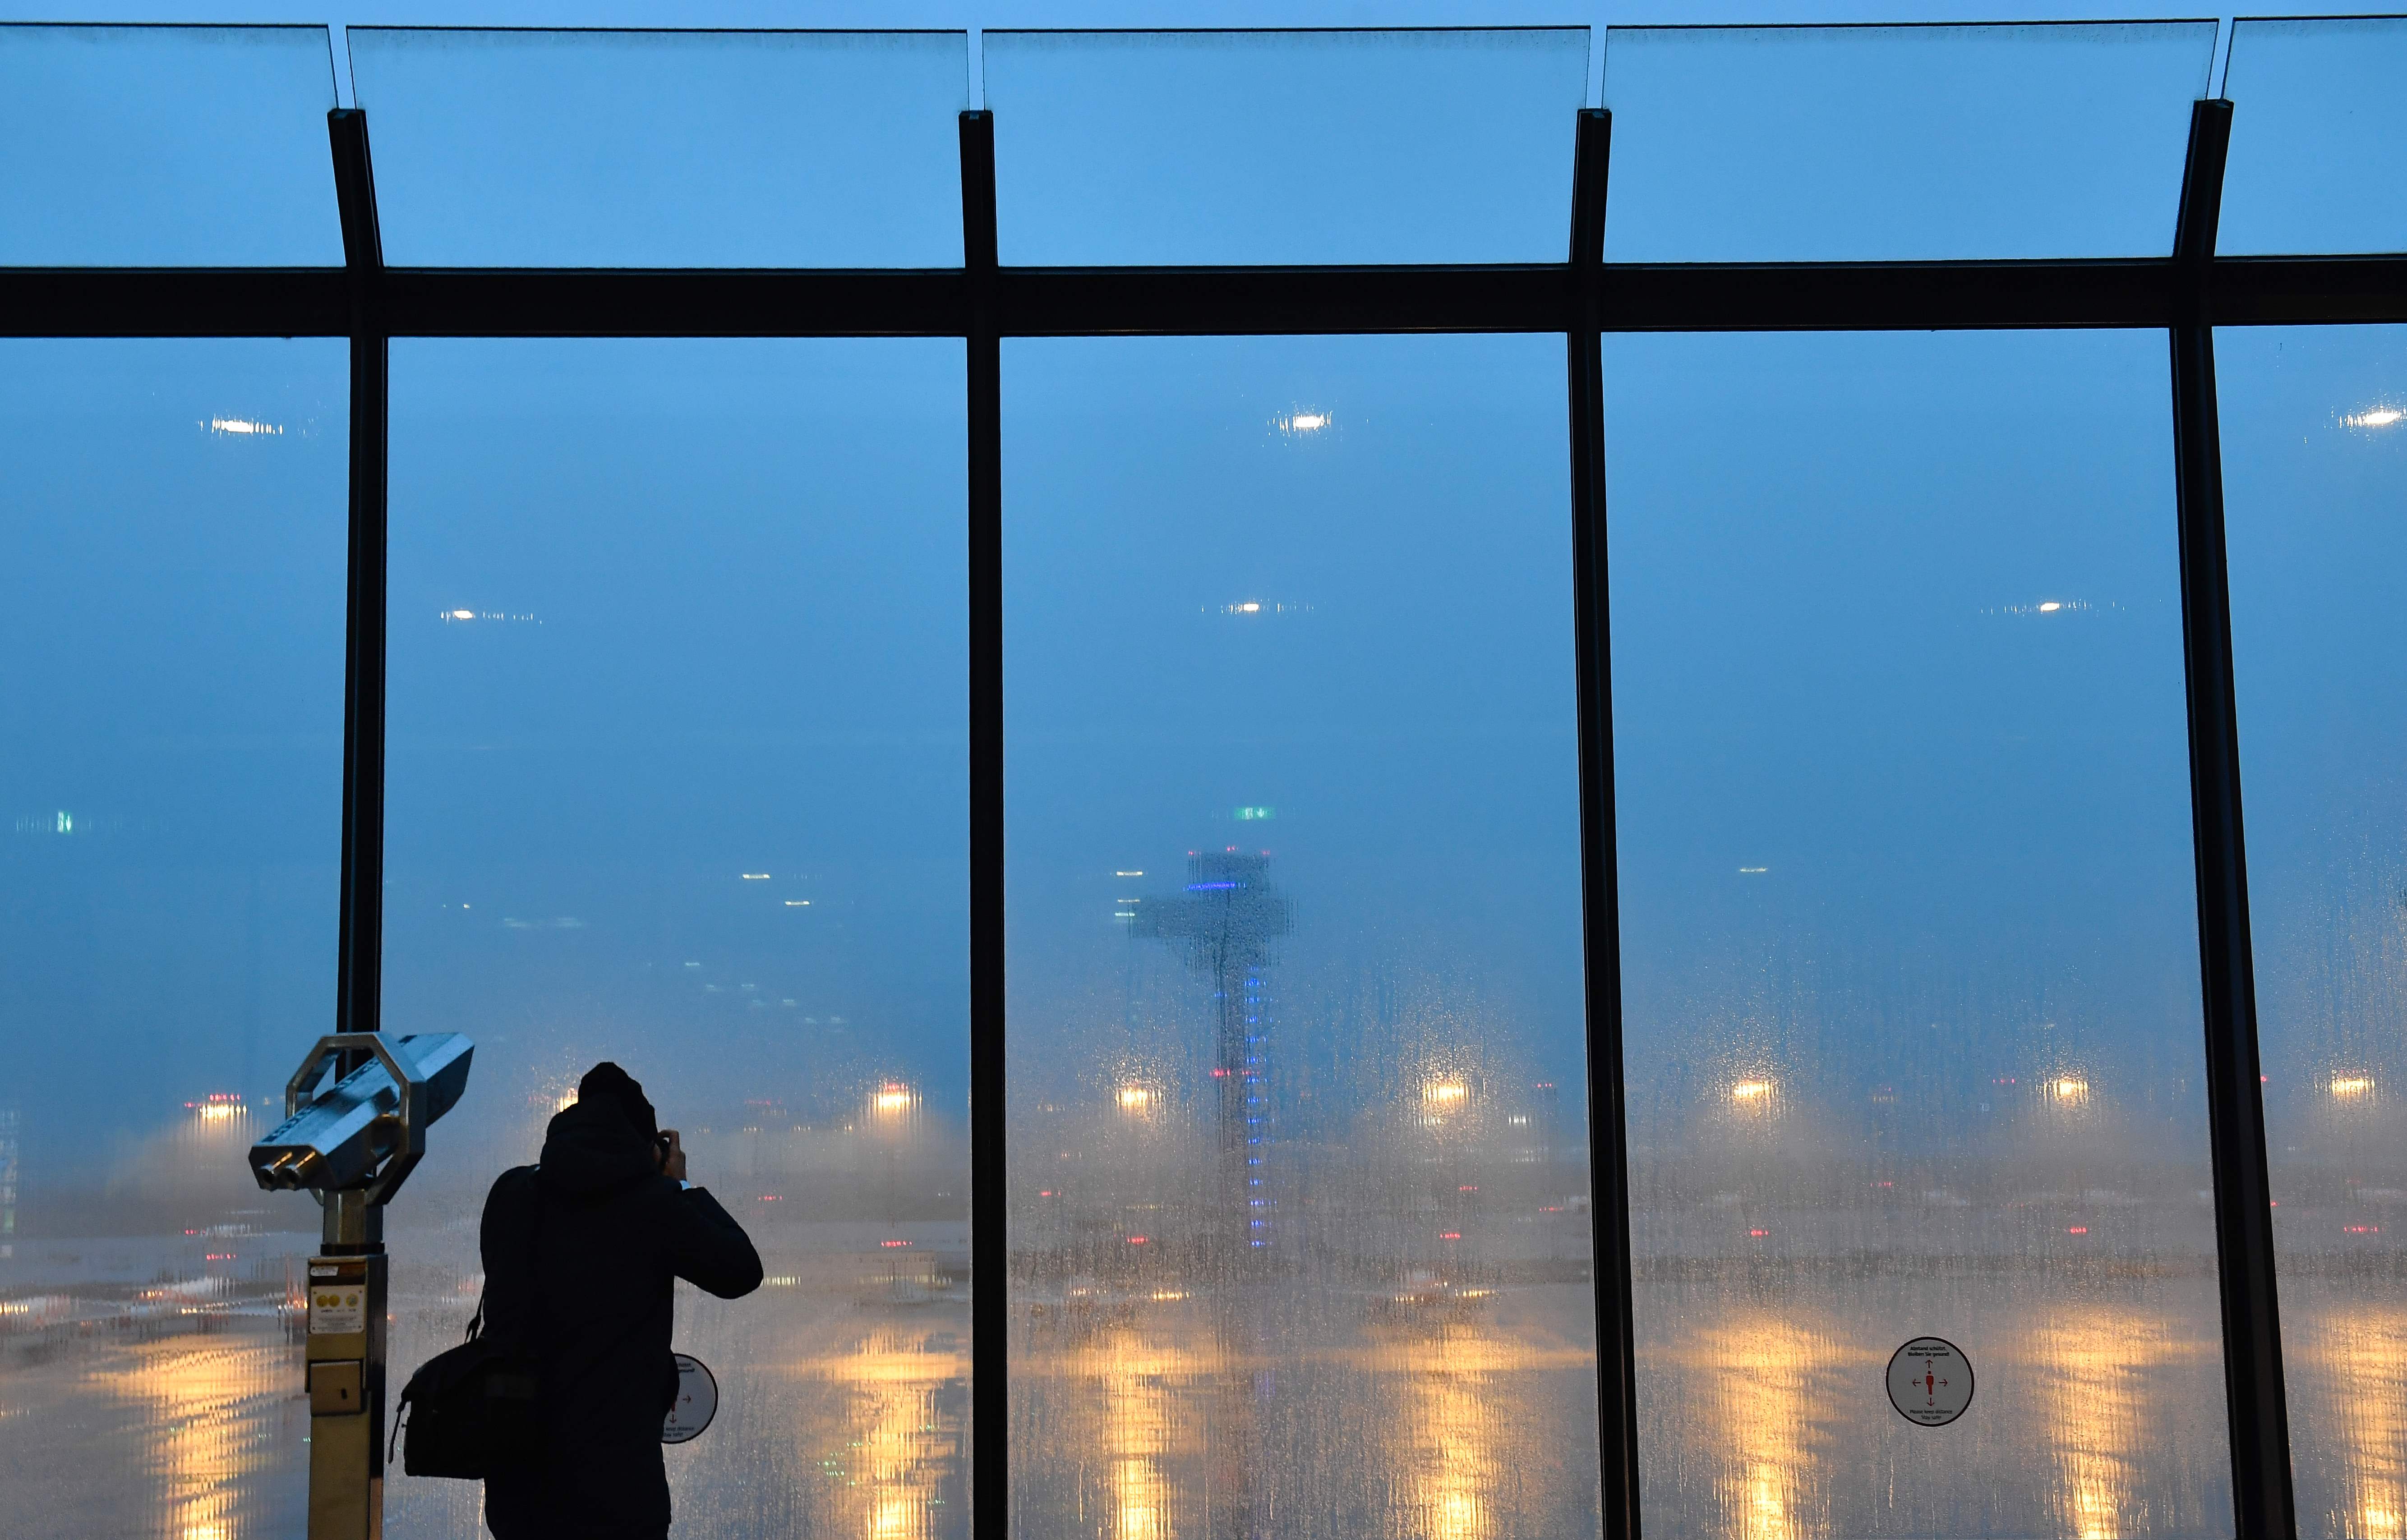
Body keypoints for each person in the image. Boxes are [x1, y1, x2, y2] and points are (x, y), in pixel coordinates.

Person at [479, 1062, 762, 1540]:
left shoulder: (513, 1193)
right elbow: (740, 1271)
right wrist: (680, 1185)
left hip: (518, 1478)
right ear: (651, 1145)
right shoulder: (655, 1204)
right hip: (620, 1485)